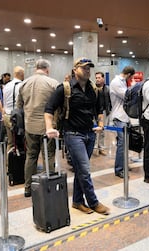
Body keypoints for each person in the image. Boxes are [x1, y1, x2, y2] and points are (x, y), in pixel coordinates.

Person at [44, 57, 110, 215]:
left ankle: (77, 201)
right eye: (84, 68)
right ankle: (93, 202)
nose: (87, 71)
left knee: (81, 169)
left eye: (89, 68)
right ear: (75, 70)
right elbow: (48, 109)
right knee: (85, 170)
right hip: (73, 135)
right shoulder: (64, 88)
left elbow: (99, 109)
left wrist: (100, 124)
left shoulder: (93, 89)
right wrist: (49, 127)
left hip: (90, 134)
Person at [17, 59, 59, 197]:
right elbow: (60, 107)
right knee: (49, 156)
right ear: (47, 69)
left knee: (31, 156)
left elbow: (19, 107)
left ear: (36, 68)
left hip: (30, 126)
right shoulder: (53, 83)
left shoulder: (24, 84)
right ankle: (50, 187)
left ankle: (28, 188)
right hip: (48, 128)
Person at [109, 66, 136, 178]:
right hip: (119, 116)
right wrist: (134, 87)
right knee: (122, 144)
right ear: (129, 74)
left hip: (125, 116)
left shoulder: (123, 82)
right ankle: (119, 169)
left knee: (125, 143)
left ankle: (123, 165)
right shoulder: (116, 82)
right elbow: (127, 96)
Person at [2, 66, 25, 152]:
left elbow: (4, 101)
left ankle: (10, 164)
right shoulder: (23, 85)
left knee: (10, 142)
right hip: (18, 117)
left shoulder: (6, 86)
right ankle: (21, 163)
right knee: (22, 141)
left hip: (7, 116)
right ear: (22, 74)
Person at [94, 71, 111, 156]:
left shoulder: (107, 89)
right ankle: (94, 148)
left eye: (99, 77)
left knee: (102, 130)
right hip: (95, 112)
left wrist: (109, 110)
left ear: (103, 78)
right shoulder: (93, 88)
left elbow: (109, 100)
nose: (97, 79)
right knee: (94, 130)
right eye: (96, 78)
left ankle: (101, 148)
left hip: (104, 112)